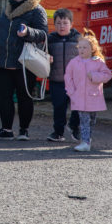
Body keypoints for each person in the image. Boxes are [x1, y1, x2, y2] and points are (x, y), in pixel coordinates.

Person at [0, 0, 48, 140]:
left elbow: (43, 34)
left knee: (24, 97)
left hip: (24, 63)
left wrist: (28, 32)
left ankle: (24, 131)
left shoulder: (36, 10)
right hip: (2, 61)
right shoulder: (7, 9)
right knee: (4, 98)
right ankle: (6, 130)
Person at [65, 31, 112, 152]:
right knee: (84, 120)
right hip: (79, 97)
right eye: (79, 47)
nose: (81, 50)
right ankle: (85, 142)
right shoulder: (74, 62)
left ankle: (87, 139)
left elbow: (107, 75)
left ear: (92, 49)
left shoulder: (98, 62)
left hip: (93, 97)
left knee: (92, 120)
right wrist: (71, 92)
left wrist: (94, 76)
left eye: (84, 47)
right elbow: (67, 77)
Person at [46, 8, 82, 142]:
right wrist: (46, 58)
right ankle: (58, 132)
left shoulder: (79, 39)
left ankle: (74, 127)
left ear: (71, 24)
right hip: (57, 80)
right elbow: (42, 55)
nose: (62, 26)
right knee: (59, 107)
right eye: (58, 23)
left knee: (78, 106)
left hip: (75, 82)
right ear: (54, 24)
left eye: (65, 23)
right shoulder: (50, 40)